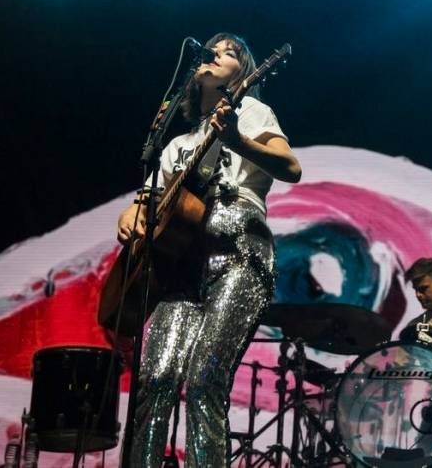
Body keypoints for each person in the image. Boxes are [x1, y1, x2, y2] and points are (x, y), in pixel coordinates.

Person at [116, 33, 302, 467]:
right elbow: (147, 201)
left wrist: (238, 142)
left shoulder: (252, 112)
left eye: (230, 51)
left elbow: (291, 167)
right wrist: (133, 212)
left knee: (203, 381)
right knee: (155, 379)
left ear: (245, 71)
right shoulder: (176, 146)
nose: (217, 53)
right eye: (213, 48)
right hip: (181, 265)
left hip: (239, 251)